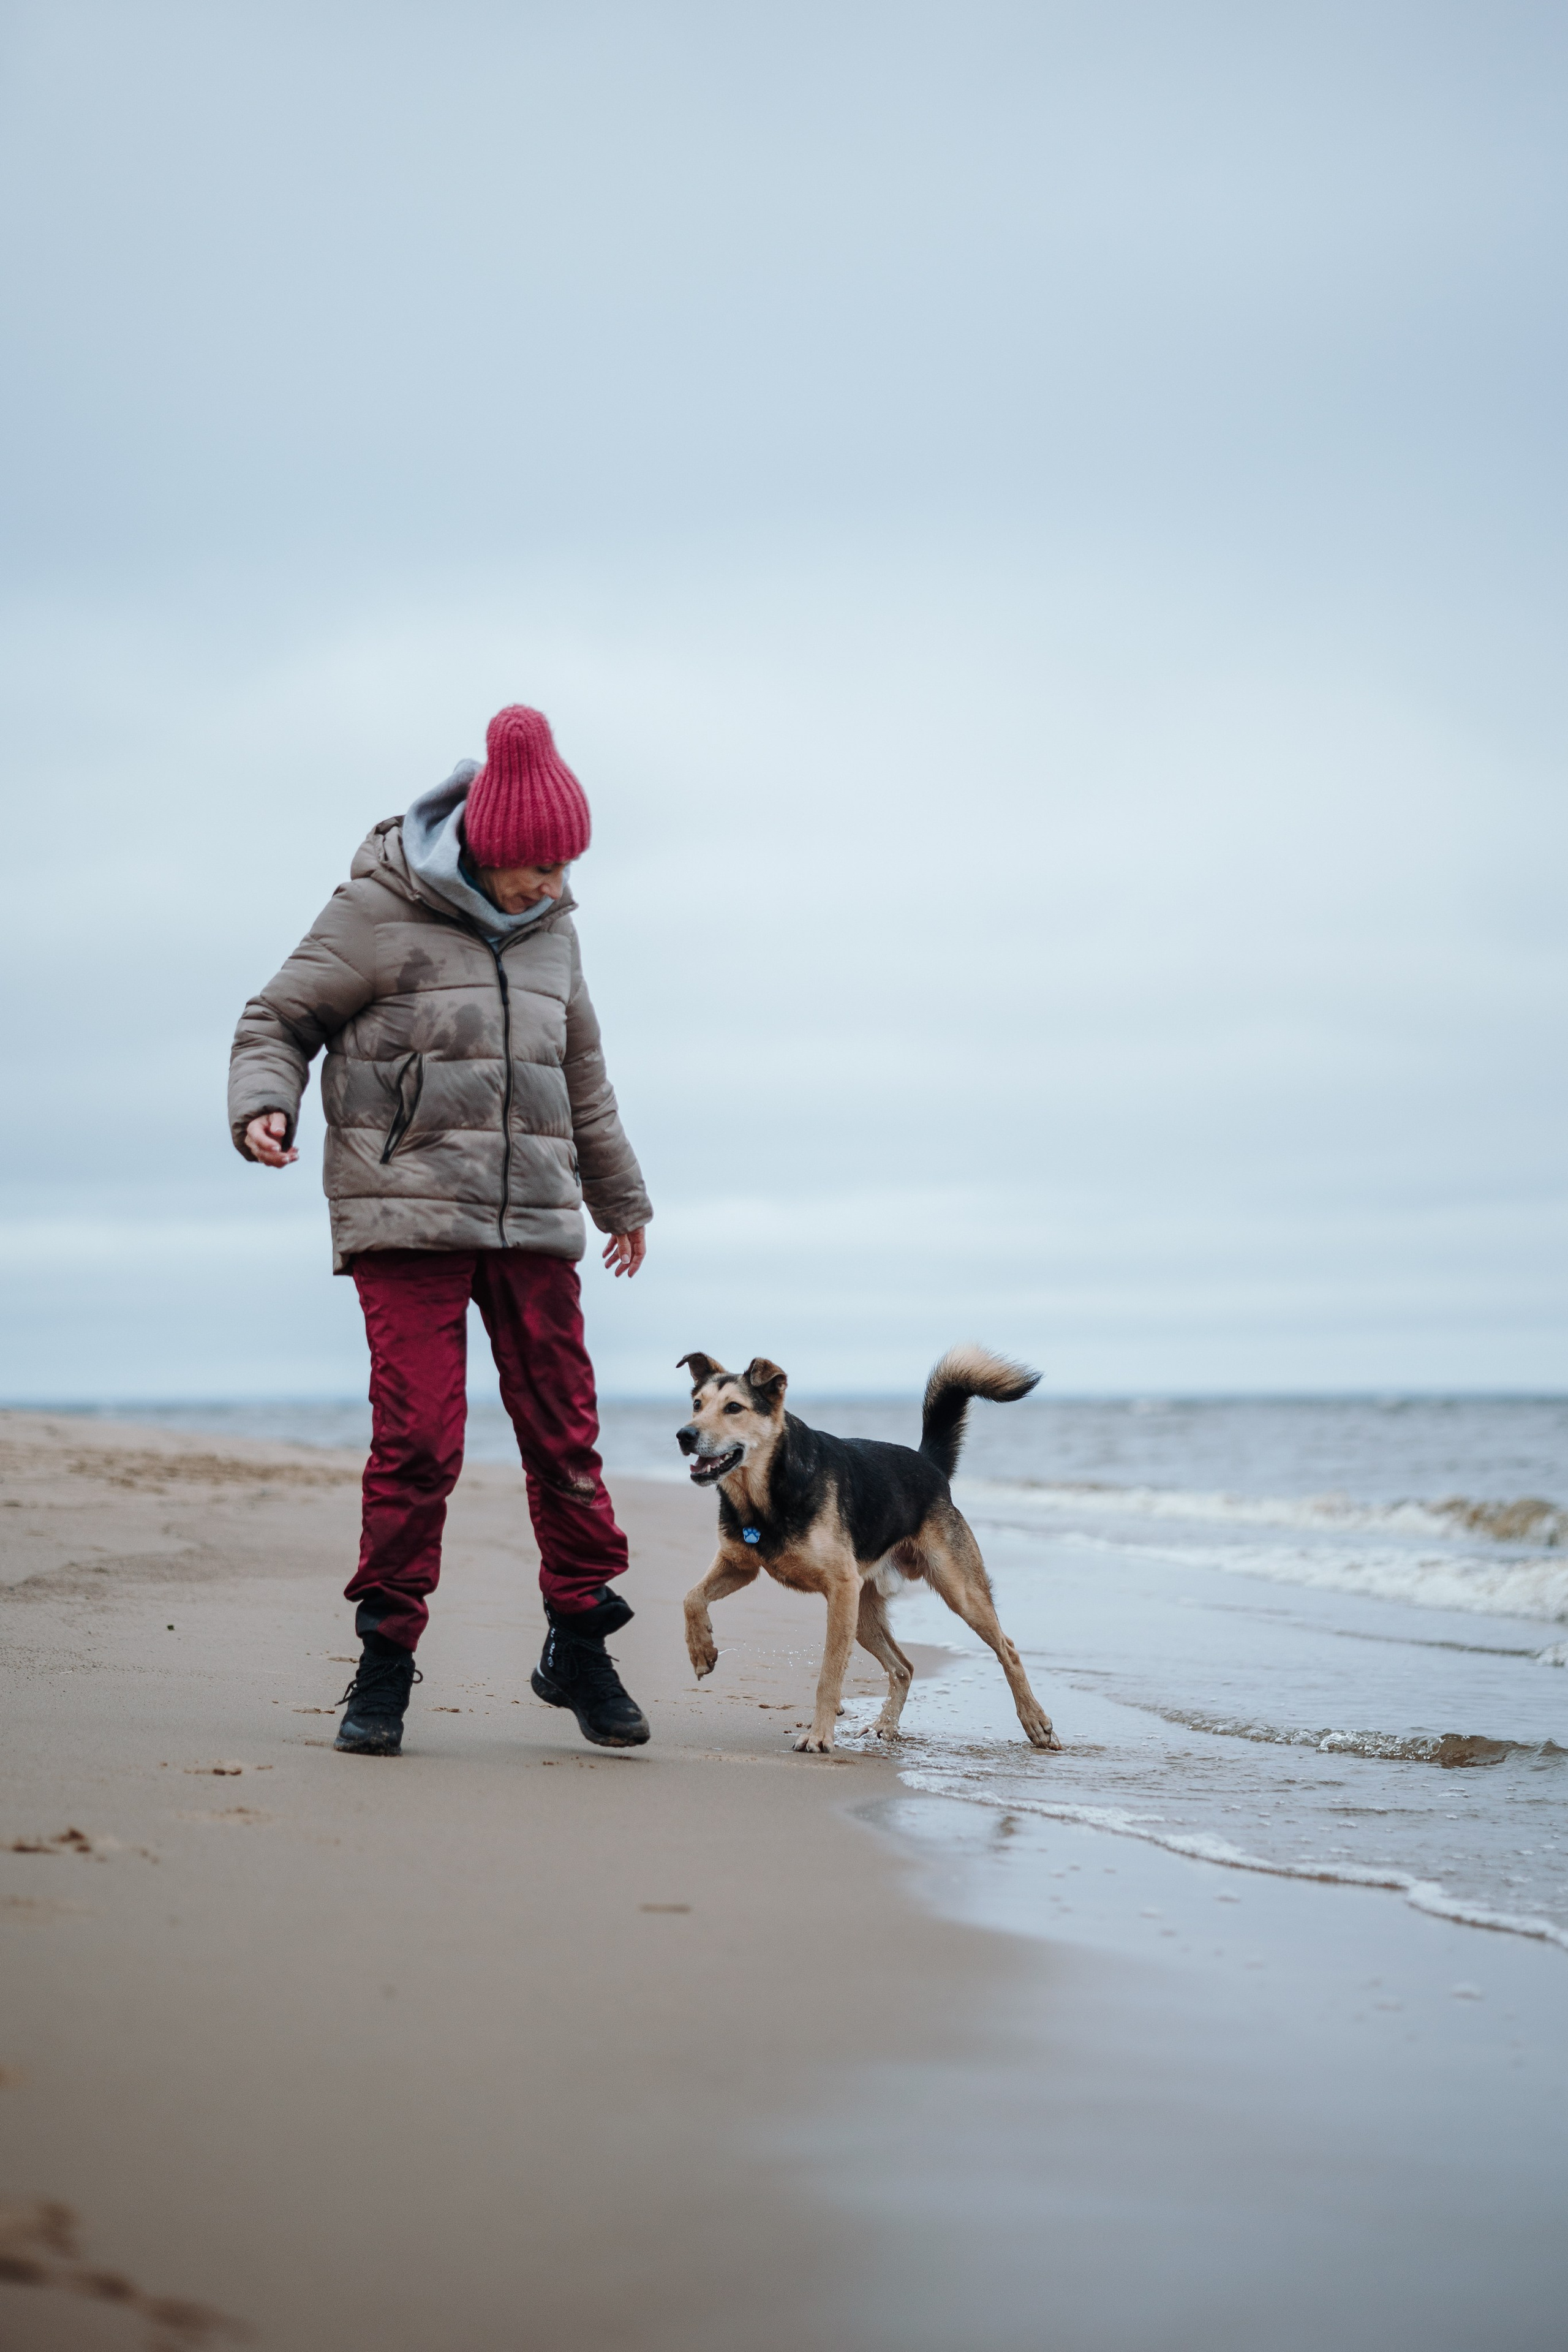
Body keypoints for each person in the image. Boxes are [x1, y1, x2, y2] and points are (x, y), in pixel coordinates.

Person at [228, 704, 652, 1757]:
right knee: (418, 1441)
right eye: (540, 864)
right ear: (490, 845)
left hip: (535, 1215)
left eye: (567, 864)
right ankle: (384, 1661)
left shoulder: (555, 931)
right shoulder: (376, 911)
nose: (555, 883)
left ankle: (581, 1644)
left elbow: (582, 1075)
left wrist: (621, 1201)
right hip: (406, 1209)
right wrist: (264, 1101)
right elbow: (278, 1018)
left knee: (565, 1435)